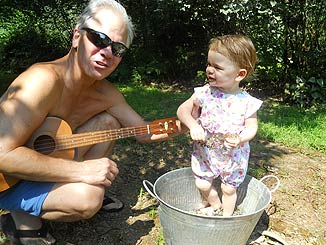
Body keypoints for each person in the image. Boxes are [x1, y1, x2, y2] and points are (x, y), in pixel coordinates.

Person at [0, 0, 182, 244]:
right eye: (99, 39)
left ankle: (57, 194)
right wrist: (83, 171)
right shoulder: (41, 81)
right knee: (87, 199)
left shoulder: (106, 93)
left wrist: (186, 123)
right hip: (5, 181)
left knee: (109, 122)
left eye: (117, 49)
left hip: (44, 164)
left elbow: (143, 131)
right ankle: (21, 218)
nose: (107, 52)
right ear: (77, 36)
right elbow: (3, 155)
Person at [177, 34, 263, 216]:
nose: (209, 70)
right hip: (206, 152)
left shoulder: (247, 102)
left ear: (239, 74)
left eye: (217, 67)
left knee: (229, 188)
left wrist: (241, 138)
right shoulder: (204, 93)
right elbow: (182, 111)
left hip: (232, 156)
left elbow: (252, 127)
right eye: (209, 64)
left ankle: (227, 217)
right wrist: (194, 126)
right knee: (202, 183)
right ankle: (215, 204)